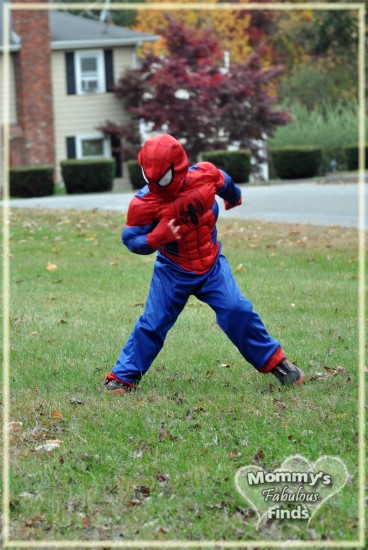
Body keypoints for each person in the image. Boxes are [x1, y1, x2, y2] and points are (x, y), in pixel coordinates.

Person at [104, 134, 304, 394]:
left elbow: (224, 180)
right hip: (172, 270)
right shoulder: (145, 203)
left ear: (178, 168)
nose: (155, 185)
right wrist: (156, 237)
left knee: (237, 309)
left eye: (161, 179)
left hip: (211, 265)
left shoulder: (204, 175)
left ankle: (276, 363)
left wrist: (233, 197)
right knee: (153, 322)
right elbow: (130, 240)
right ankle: (123, 377)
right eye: (148, 178)